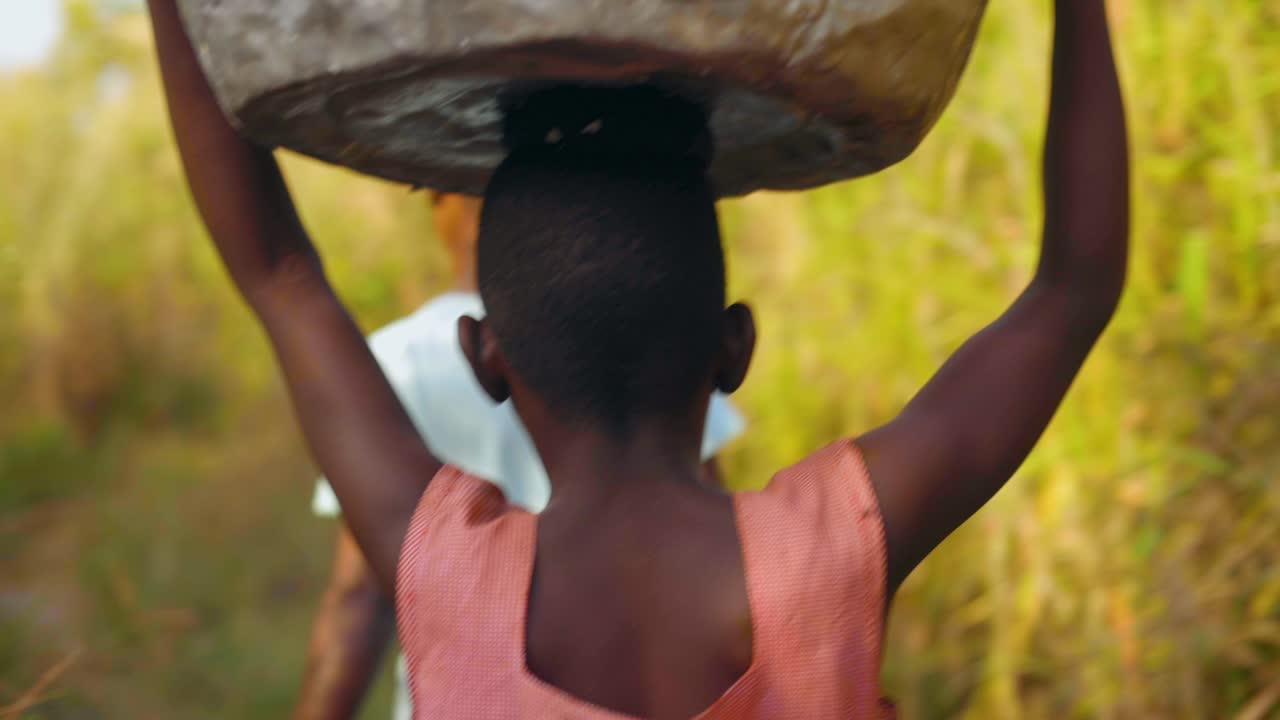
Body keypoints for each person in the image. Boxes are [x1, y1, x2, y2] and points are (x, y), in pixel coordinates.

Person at [147, 0, 1128, 714]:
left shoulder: (442, 571)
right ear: (733, 349)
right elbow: (1069, 291)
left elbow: (279, 276)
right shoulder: (826, 557)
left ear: (485, 360)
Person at [291, 192, 745, 720]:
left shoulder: (398, 363)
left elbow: (359, 595)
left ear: (441, 206)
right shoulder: (653, 343)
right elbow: (719, 535)